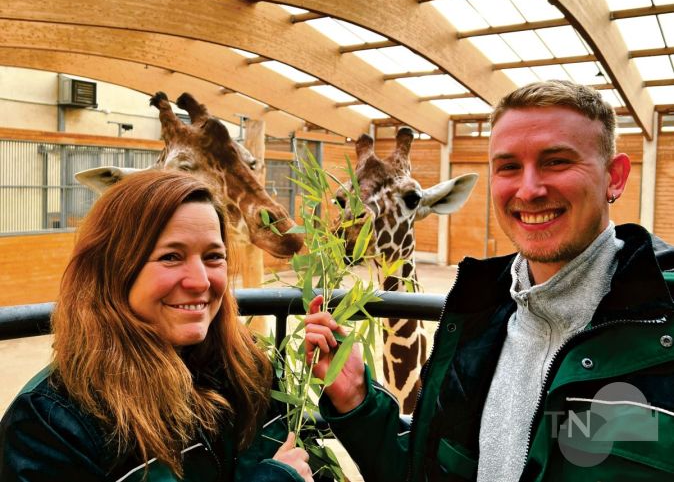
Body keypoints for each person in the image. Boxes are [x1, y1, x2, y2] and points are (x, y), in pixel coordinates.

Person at [305, 80, 674, 481]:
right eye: (509, 167)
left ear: (614, 177)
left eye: (557, 162)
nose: (529, 190)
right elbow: (428, 472)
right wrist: (358, 401)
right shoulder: (472, 322)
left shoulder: (662, 322)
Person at [0, 170, 313, 482]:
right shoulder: (50, 425)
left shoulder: (246, 369)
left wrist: (341, 403)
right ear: (114, 268)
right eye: (171, 257)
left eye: (213, 256)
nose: (200, 281)